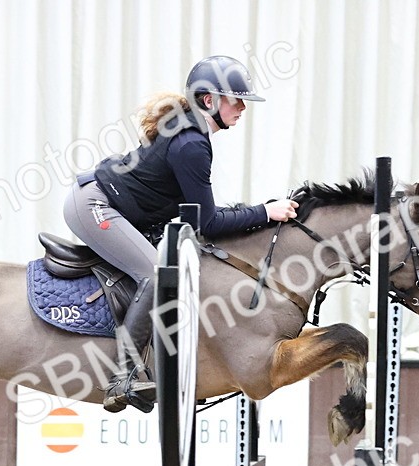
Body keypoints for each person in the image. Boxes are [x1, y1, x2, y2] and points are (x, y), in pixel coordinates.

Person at [63, 55, 299, 413]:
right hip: (94, 205)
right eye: (235, 100)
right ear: (209, 101)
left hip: (105, 202)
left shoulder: (192, 133)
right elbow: (208, 222)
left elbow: (200, 217)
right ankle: (122, 375)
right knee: (154, 276)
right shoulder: (192, 145)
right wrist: (265, 212)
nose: (242, 108)